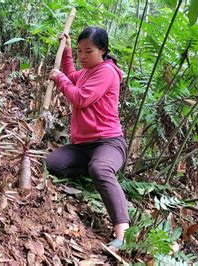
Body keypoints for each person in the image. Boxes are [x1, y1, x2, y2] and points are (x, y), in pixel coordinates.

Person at [46, 26, 129, 250]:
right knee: (52, 164)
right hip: (83, 145)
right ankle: (93, 172)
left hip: (109, 142)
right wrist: (67, 52)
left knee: (101, 168)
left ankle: (121, 233)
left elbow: (80, 98)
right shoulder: (86, 71)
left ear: (102, 50)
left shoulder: (106, 72)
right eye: (80, 51)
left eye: (88, 51)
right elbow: (72, 74)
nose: (82, 56)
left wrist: (60, 80)